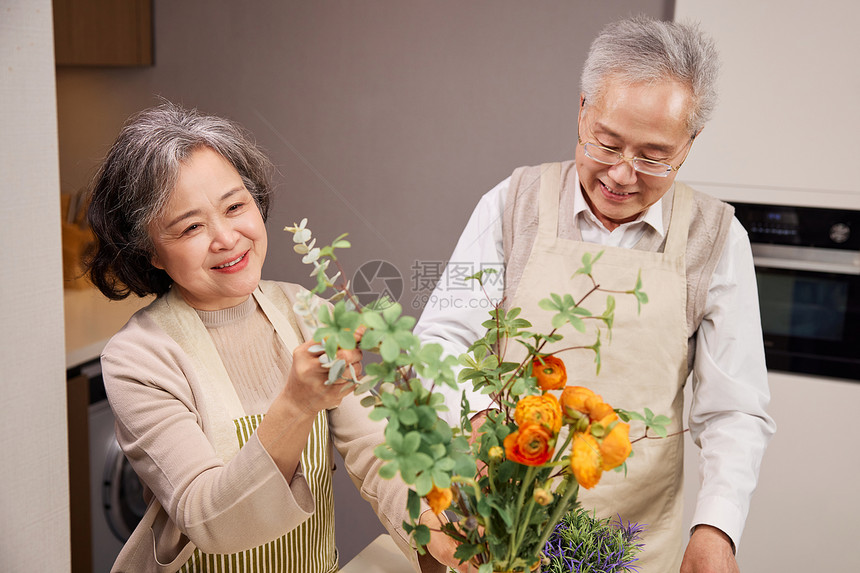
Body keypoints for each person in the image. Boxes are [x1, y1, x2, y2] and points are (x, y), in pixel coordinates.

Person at [414, 16, 776, 573]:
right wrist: (479, 420)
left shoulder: (718, 239)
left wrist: (717, 530)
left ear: (690, 143)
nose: (623, 175)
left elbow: (735, 408)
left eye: (654, 156)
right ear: (582, 109)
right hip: (499, 528)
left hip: (631, 547)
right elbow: (441, 337)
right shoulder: (512, 204)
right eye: (606, 143)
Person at [86, 102, 446, 573]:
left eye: (235, 206)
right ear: (150, 252)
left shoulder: (307, 313)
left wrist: (442, 538)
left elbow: (376, 454)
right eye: (191, 227)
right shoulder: (139, 359)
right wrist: (296, 405)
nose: (226, 238)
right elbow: (210, 521)